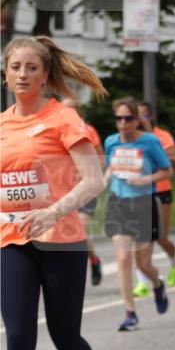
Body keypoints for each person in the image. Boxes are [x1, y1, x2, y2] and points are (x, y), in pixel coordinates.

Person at [0, 37, 107, 350]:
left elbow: (94, 179)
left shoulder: (63, 118)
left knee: (65, 335)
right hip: (12, 242)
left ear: (45, 76)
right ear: (5, 74)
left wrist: (55, 210)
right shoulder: (1, 125)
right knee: (19, 336)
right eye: (14, 67)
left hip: (61, 240)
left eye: (31, 68)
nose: (22, 74)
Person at [103, 97, 172, 331]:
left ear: (136, 120)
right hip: (117, 203)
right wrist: (100, 184)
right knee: (123, 259)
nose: (123, 123)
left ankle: (157, 283)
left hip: (143, 204)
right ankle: (130, 312)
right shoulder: (111, 142)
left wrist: (146, 179)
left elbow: (167, 171)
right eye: (119, 118)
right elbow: (111, 167)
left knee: (144, 264)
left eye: (128, 118)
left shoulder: (150, 142)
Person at [132, 102, 175, 295]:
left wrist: (155, 153)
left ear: (151, 117)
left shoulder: (162, 136)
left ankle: (174, 259)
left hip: (161, 191)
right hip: (138, 192)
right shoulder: (131, 138)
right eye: (138, 116)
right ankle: (142, 281)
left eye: (144, 116)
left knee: (161, 238)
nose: (140, 120)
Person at [61, 97, 105, 286]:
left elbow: (101, 158)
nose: (67, 113)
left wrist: (90, 175)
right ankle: (91, 258)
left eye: (71, 109)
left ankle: (92, 261)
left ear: (78, 111)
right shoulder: (54, 129)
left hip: (85, 189)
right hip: (63, 189)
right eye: (64, 109)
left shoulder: (88, 131)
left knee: (81, 228)